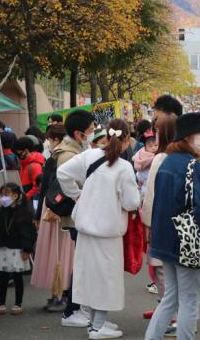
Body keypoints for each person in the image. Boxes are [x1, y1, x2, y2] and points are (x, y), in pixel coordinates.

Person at [58, 119, 141, 339]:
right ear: (126, 140)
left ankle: (94, 323)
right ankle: (97, 326)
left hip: (85, 228)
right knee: (106, 279)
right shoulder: (124, 167)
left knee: (90, 279)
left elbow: (62, 173)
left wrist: (78, 197)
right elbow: (132, 203)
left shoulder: (89, 155)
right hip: (109, 231)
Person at [145, 113, 200, 340]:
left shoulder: (167, 162)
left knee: (170, 298)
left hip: (166, 239)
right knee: (189, 300)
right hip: (188, 241)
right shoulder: (193, 166)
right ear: (189, 136)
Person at [31, 110, 93, 320]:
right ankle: (69, 303)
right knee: (69, 259)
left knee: (69, 258)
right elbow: (68, 187)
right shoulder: (69, 155)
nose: (93, 133)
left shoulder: (66, 152)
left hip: (61, 214)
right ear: (79, 133)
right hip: (65, 215)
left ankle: (67, 299)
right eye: (91, 130)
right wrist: (79, 196)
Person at [140, 117, 175, 323]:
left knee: (162, 269)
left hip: (161, 220)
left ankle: (168, 313)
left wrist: (147, 222)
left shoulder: (161, 158)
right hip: (183, 223)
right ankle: (170, 310)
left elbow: (151, 194)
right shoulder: (188, 156)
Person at [0, 183, 37, 316]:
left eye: (6, 194)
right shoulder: (0, 212)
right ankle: (1, 303)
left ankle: (18, 303)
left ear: (15, 196)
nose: (3, 197)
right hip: (2, 248)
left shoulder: (24, 212)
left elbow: (29, 232)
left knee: (17, 277)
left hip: (17, 249)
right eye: (2, 194)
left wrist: (27, 249)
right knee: (2, 277)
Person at [14, 136, 44, 201]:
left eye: (19, 152)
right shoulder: (23, 163)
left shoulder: (35, 166)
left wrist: (25, 198)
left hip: (31, 201)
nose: (17, 154)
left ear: (26, 150)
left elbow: (37, 187)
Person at [134, 129, 158, 197]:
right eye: (150, 146)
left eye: (156, 145)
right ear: (145, 147)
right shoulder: (142, 154)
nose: (153, 148)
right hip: (145, 182)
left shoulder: (157, 154)